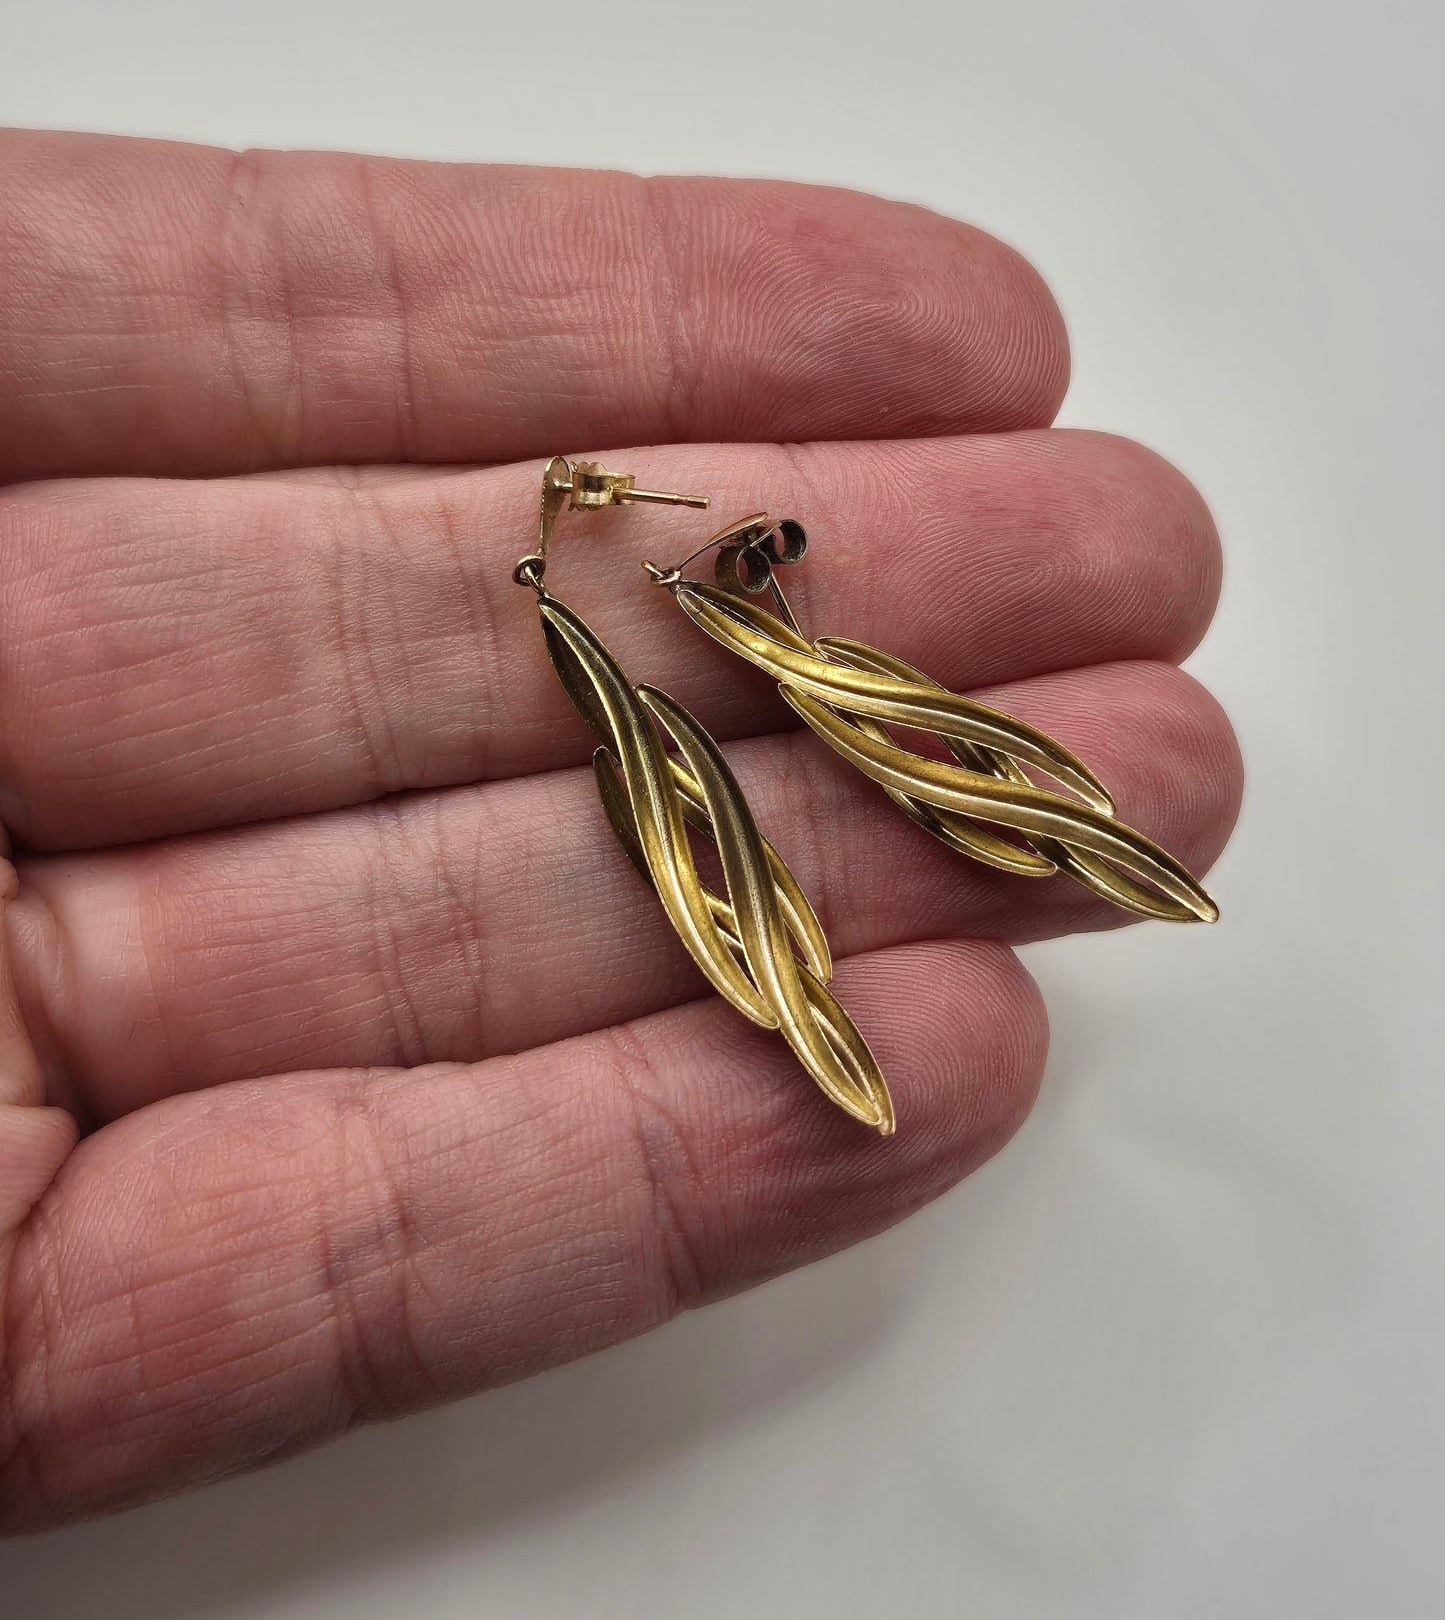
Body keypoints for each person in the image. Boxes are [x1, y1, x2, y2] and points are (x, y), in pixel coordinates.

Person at [0, 128, 1241, 1532]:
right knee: (735, 797)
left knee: (834, 748)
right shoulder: (616, 654)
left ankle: (1038, 846)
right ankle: (921, 907)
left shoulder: (701, 626)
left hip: (701, 636)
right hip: (656, 652)